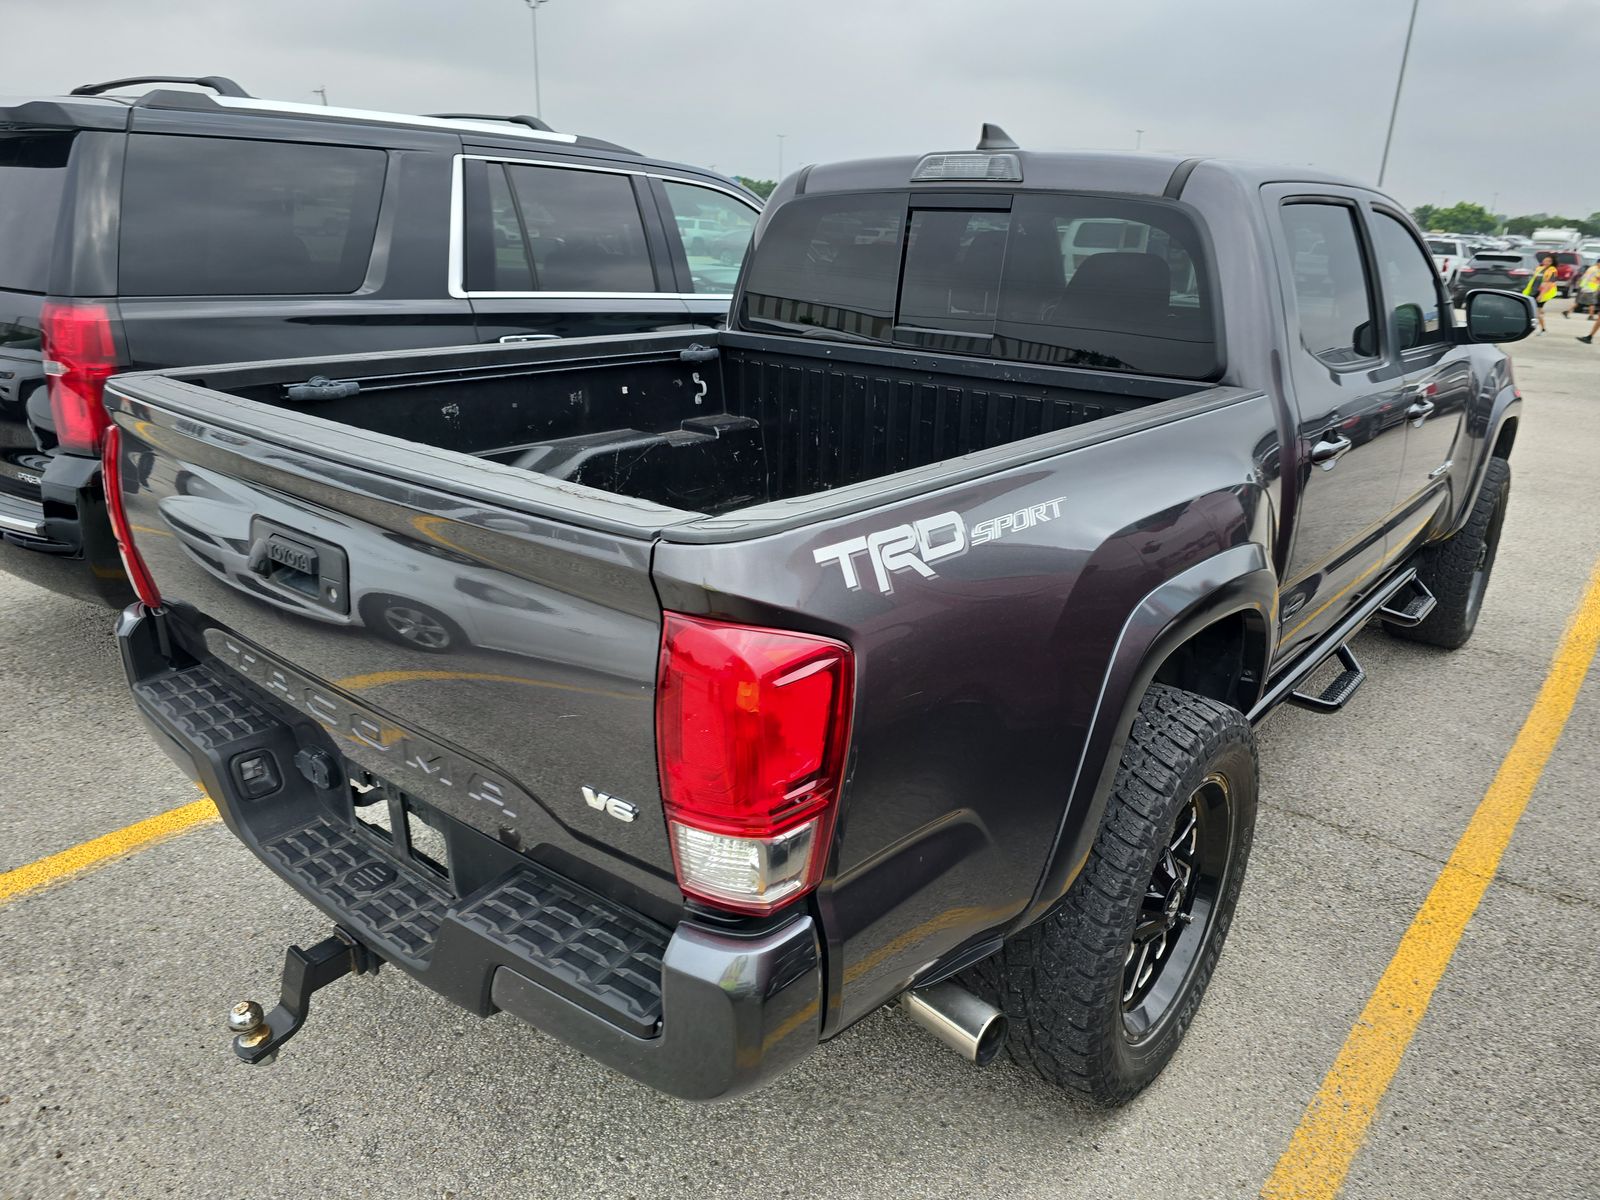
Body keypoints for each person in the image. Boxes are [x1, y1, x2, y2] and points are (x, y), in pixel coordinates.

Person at [1525, 253, 1560, 333]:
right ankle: (1541, 328)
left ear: (1552, 262)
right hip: (1533, 291)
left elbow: (1548, 284)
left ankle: (1541, 328)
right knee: (1534, 311)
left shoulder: (1553, 270)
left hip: (1542, 293)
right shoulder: (1539, 268)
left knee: (1536, 312)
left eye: (1549, 261)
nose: (1546, 262)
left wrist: (1541, 295)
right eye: (1545, 260)